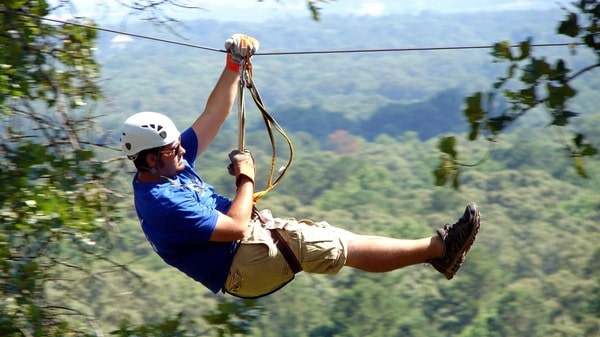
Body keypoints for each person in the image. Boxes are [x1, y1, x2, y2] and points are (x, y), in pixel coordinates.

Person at [121, 34, 481, 298]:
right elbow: (233, 227)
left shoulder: (169, 167)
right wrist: (246, 180)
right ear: (150, 159)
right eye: (172, 149)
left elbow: (213, 116)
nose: (181, 149)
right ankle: (440, 250)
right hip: (242, 264)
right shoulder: (163, 203)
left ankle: (438, 250)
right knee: (341, 245)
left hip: (245, 254)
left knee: (341, 240)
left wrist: (233, 66)